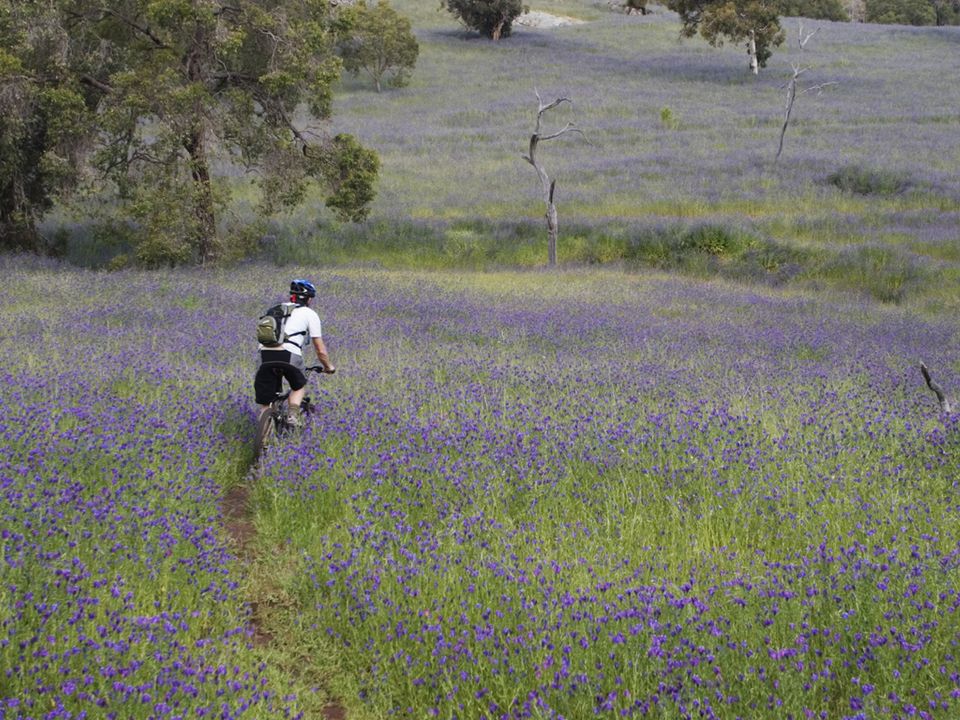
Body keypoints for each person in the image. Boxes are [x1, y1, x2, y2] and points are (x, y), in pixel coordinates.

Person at [254, 279, 336, 426]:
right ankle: (292, 416)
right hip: (289, 355)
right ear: (309, 299)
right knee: (298, 386)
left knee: (266, 402)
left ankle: (262, 435)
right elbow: (320, 350)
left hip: (264, 355)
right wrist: (328, 367)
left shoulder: (274, 309)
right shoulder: (309, 314)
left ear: (292, 296)